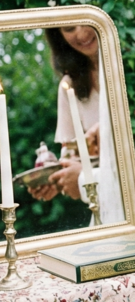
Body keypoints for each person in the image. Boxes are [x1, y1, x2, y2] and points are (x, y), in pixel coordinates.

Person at [29, 26, 102, 201]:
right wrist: (56, 178)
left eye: (84, 21)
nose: (81, 33)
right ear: (58, 35)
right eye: (69, 28)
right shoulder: (69, 86)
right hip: (103, 200)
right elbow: (72, 156)